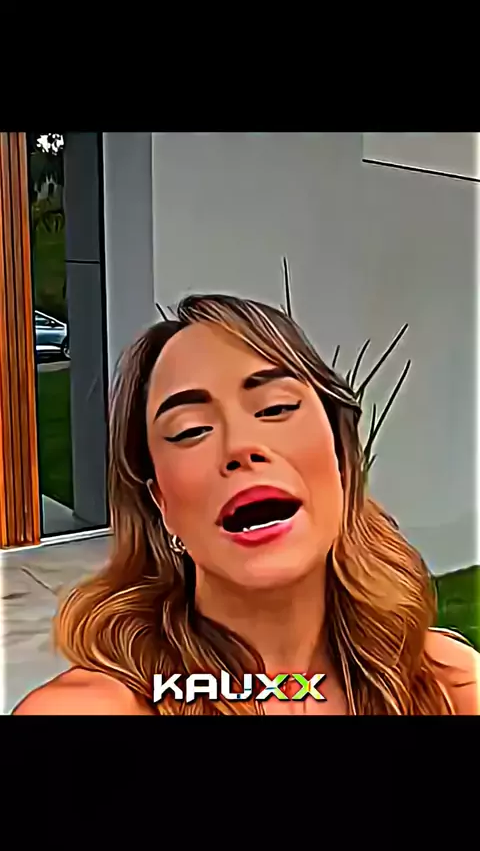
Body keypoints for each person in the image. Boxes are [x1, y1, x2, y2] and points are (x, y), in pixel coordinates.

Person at [14, 293, 479, 715]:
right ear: (161, 504)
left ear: (341, 457)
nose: (240, 446)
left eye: (276, 408)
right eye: (191, 430)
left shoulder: (449, 684)